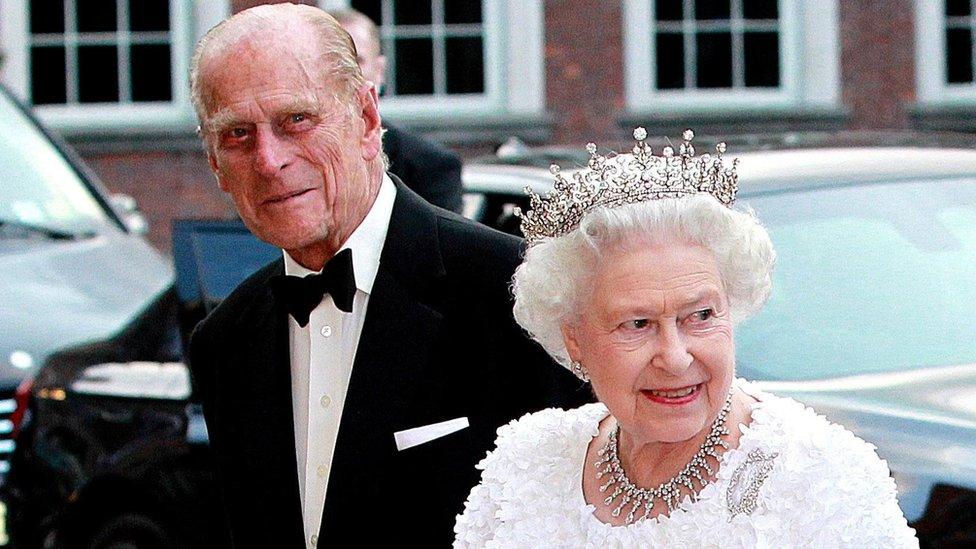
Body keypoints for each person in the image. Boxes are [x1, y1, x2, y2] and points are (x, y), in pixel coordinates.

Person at [186, 4, 586, 547]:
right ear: (214, 164)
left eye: (296, 120)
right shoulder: (224, 342)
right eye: (237, 135)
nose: (269, 160)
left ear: (367, 120)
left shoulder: (517, 295)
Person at [454, 129, 919, 547]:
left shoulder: (821, 478)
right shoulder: (530, 464)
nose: (675, 358)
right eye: (637, 325)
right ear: (575, 340)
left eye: (700, 316)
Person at [329, 8, 464, 213]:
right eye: (332, 62)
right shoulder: (278, 159)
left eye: (356, 61)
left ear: (380, 70)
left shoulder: (429, 169)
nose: (343, 73)